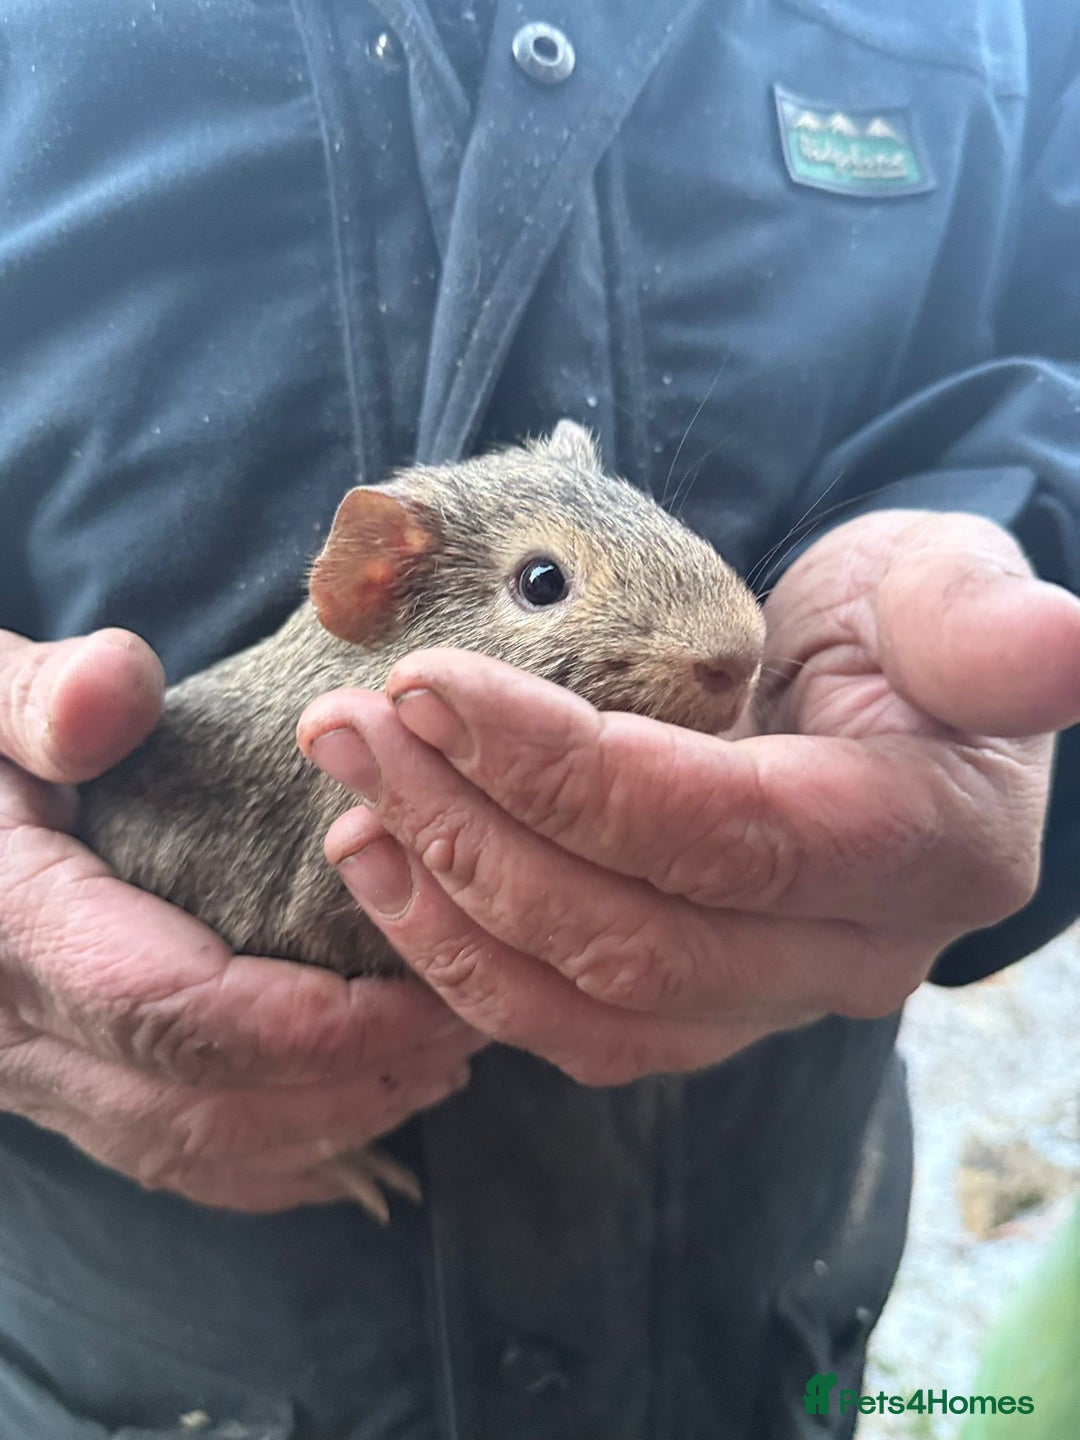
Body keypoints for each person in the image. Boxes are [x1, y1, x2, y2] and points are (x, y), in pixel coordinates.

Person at [0, 2, 1078, 1436]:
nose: (722, 651)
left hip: (765, 1309)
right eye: (547, 585)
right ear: (377, 576)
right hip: (143, 1349)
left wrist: (1015, 530)